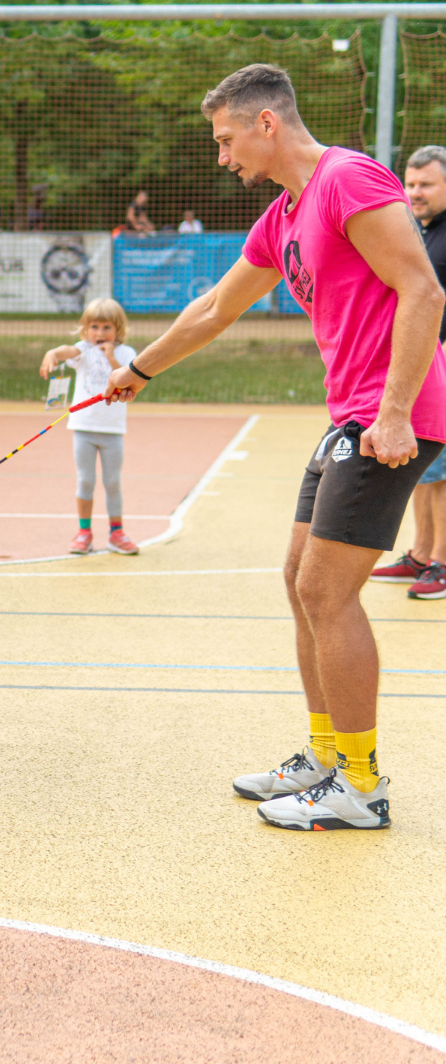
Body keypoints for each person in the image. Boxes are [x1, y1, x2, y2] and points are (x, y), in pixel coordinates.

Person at [105, 64, 446, 831]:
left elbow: (424, 291)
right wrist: (140, 369)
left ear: (266, 124)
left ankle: (360, 786)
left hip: (392, 415)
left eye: (226, 140)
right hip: (350, 414)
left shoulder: (347, 180)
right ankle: (327, 757)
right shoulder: (285, 215)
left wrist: (392, 416)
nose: (222, 157)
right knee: (300, 579)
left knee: (328, 590)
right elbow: (217, 306)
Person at [371, 144, 446, 597]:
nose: (414, 192)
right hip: (425, 368)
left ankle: (441, 562)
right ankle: (420, 554)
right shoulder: (420, 231)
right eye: (410, 183)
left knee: (444, 471)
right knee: (424, 466)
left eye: (426, 184)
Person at [38, 298, 140, 555]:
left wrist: (111, 357)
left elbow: (128, 377)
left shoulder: (126, 353)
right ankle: (84, 533)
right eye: (94, 326)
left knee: (112, 482)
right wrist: (52, 354)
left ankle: (116, 533)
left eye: (106, 327)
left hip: (113, 431)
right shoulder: (83, 350)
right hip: (83, 429)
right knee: (85, 481)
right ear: (86, 329)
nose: (100, 333)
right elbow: (66, 352)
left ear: (118, 329)